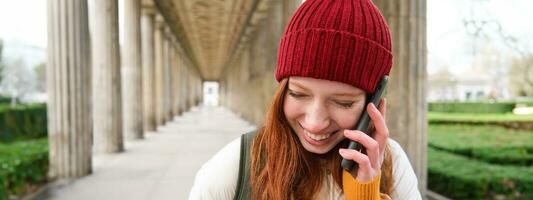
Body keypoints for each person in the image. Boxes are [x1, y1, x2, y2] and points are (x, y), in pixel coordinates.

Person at [189, 0, 422, 199]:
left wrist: (366, 193)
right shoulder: (234, 167)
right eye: (298, 94)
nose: (315, 123)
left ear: (375, 102)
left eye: (343, 102)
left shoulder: (393, 163)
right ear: (282, 90)